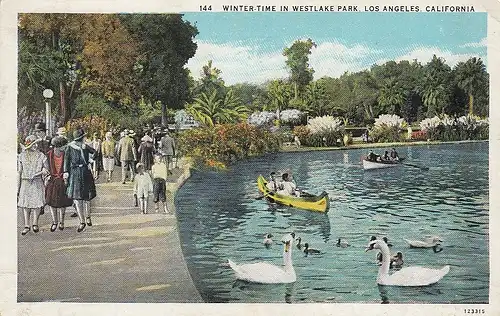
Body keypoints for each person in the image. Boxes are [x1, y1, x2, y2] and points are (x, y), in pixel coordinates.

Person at [63, 128, 97, 232]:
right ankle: (83, 220)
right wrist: (66, 172)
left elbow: (95, 152)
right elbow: (66, 160)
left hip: (82, 172)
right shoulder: (70, 147)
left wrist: (90, 160)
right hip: (76, 173)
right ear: (81, 138)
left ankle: (87, 217)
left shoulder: (84, 146)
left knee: (85, 198)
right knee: (79, 198)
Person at [17, 135, 49, 235]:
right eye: (33, 144)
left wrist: (38, 173)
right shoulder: (21, 156)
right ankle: (27, 225)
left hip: (37, 181)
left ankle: (35, 223)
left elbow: (46, 169)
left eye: (36, 143)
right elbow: (19, 171)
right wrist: (17, 187)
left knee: (37, 203)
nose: (35, 145)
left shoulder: (41, 155)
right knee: (25, 204)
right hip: (25, 181)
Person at [45, 136, 74, 231]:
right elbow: (45, 167)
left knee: (63, 203)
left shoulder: (66, 155)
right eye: (63, 146)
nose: (64, 148)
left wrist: (67, 174)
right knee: (52, 203)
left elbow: (70, 167)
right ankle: (54, 222)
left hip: (63, 181)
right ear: (57, 146)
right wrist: (46, 174)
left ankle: (61, 222)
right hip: (52, 181)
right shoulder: (48, 155)